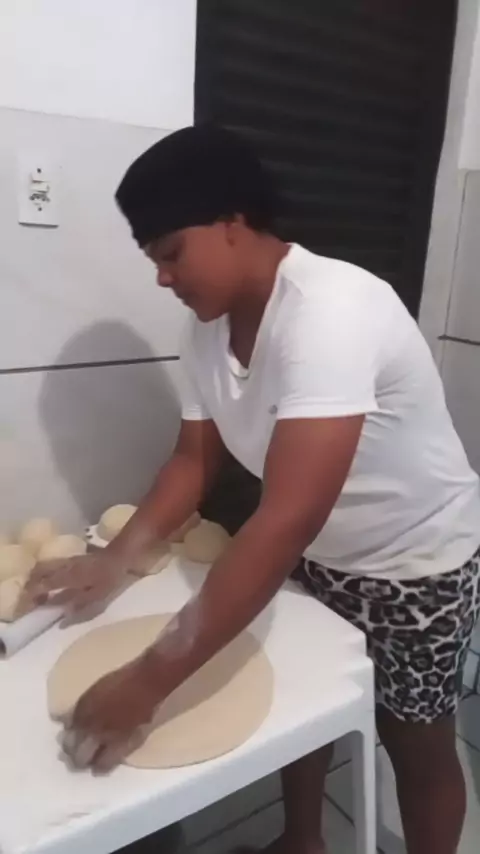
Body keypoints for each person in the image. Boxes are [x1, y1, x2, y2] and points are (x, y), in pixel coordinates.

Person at [27, 125, 480, 854]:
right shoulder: (205, 334)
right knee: (307, 703)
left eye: (171, 252)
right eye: (153, 260)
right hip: (322, 554)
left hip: (415, 562)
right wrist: (115, 558)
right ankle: (302, 842)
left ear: (232, 221)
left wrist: (148, 680)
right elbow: (193, 462)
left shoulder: (332, 310)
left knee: (414, 741)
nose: (163, 277)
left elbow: (286, 517)